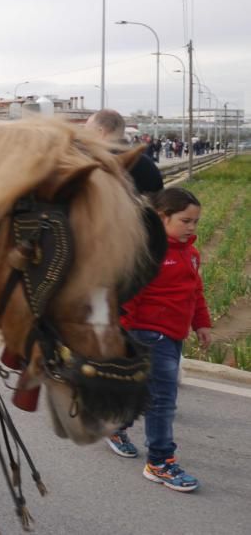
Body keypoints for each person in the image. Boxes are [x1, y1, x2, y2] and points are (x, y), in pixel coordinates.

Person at [105, 187, 212, 492]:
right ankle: (160, 462)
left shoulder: (191, 254)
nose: (191, 227)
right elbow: (128, 297)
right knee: (163, 400)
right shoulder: (148, 253)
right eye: (185, 221)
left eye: (195, 222)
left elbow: (196, 292)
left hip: (174, 335)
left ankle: (115, 427)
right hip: (148, 334)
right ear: (161, 218)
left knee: (144, 392)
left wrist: (201, 323)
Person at [85, 109, 163, 195]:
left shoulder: (93, 164)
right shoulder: (148, 164)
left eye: (86, 132)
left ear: (100, 132)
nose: (84, 137)